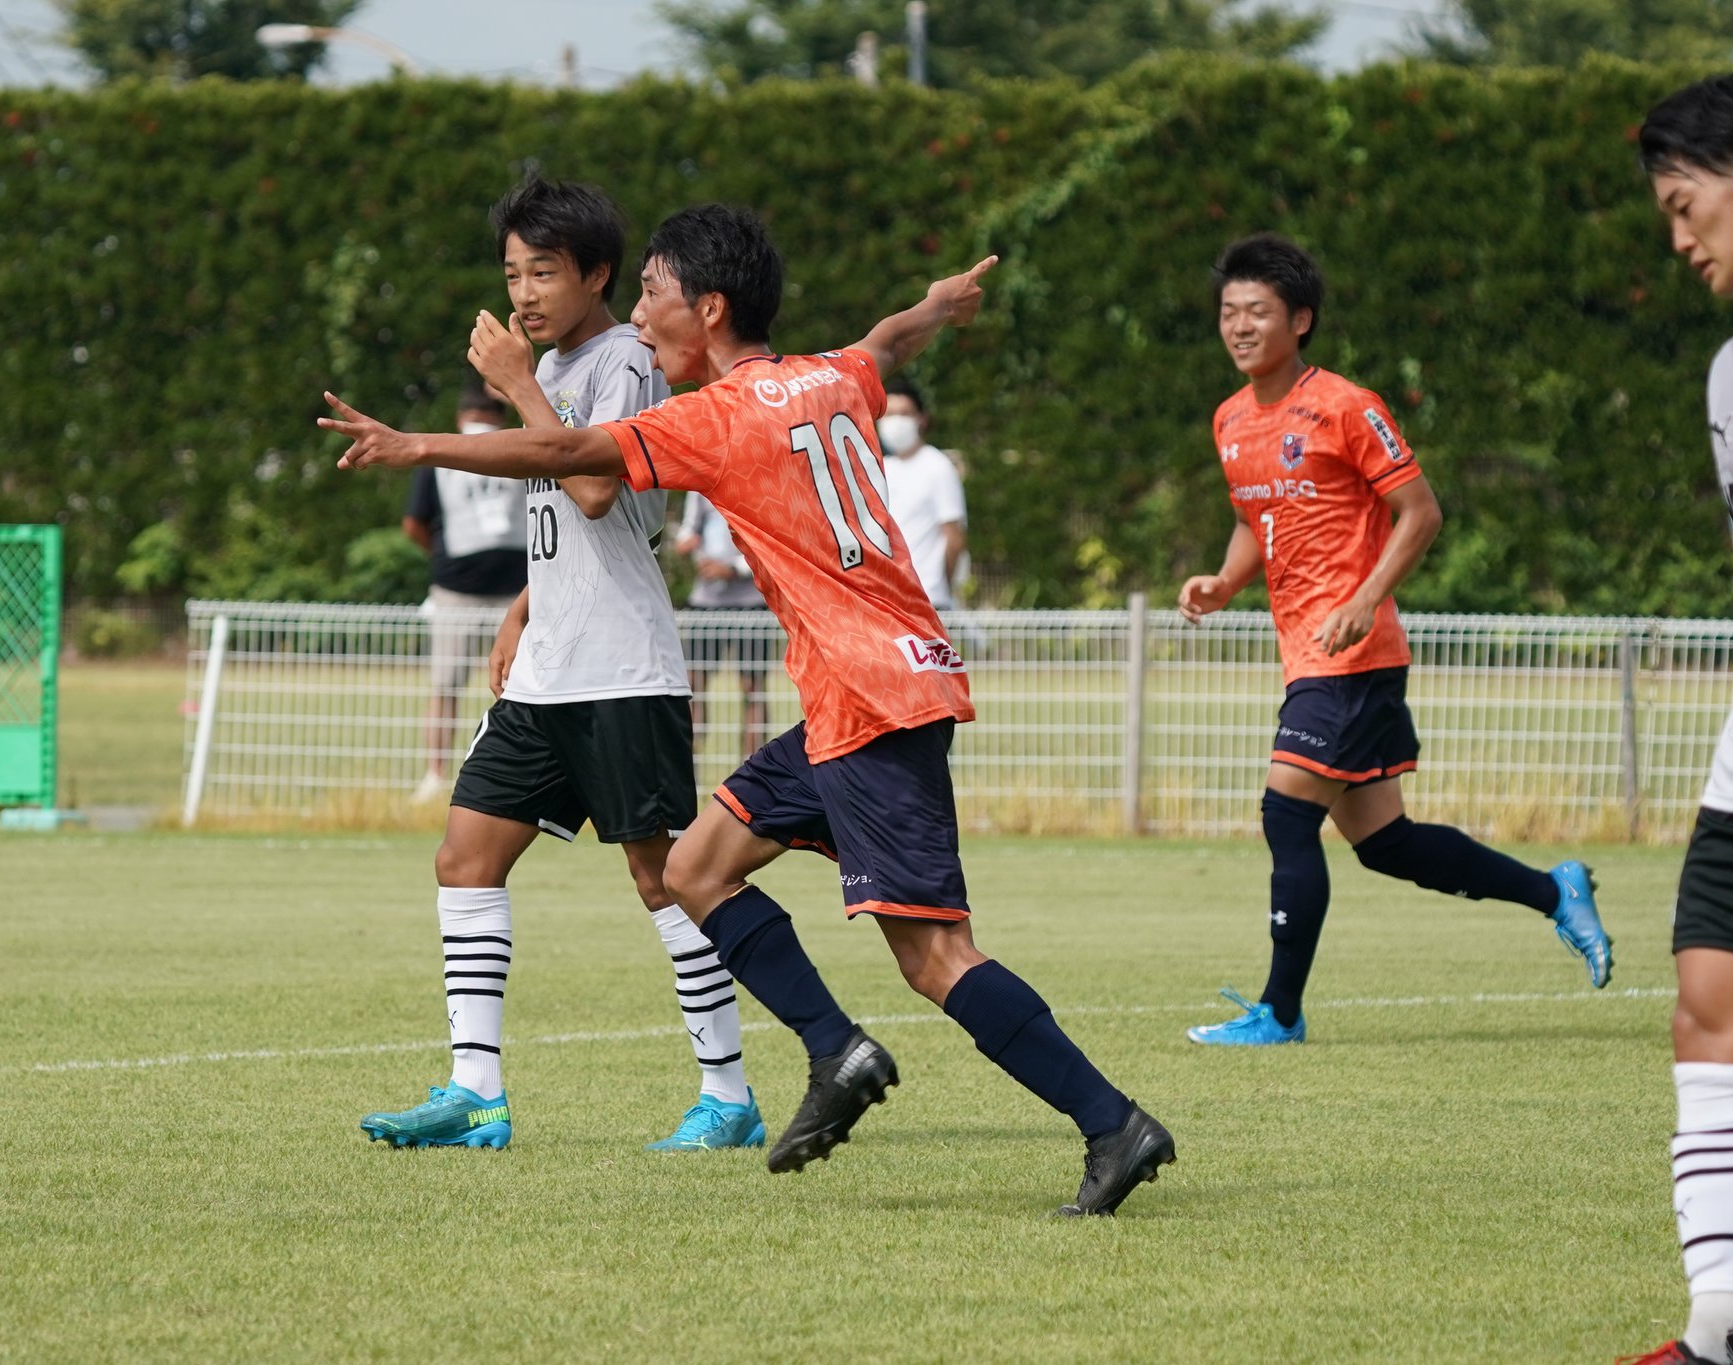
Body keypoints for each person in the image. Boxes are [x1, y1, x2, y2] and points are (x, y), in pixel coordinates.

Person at [323, 204, 1176, 1217]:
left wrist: (412, 445)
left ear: (710, 307)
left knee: (932, 955)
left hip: (872, 701)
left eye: (652, 294)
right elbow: (882, 342)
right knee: (692, 867)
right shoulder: (828, 374)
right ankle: (834, 1052)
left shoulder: (717, 417)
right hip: (852, 702)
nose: (640, 318)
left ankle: (1109, 1121)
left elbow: (568, 464)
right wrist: (936, 307)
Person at [356, 176, 763, 1155]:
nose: (525, 291)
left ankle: (728, 1093)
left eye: (544, 270)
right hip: (550, 672)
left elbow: (590, 491)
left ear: (597, 274)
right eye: (511, 272)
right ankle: (474, 1091)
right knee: (465, 856)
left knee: (662, 879)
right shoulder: (563, 362)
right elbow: (577, 526)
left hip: (623, 668)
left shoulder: (624, 361)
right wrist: (521, 609)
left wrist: (516, 387)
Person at [1176, 233, 1614, 1050]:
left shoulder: (1346, 404)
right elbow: (1252, 517)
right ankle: (1557, 890)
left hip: (1352, 653)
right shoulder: (1230, 419)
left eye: (1257, 312)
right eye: (1228, 312)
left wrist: (1365, 597)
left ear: (1299, 319)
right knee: (1387, 844)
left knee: (1285, 810)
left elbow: (1422, 512)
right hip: (1308, 653)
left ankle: (1279, 1011)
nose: (1238, 326)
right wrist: (1224, 581)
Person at [1617, 75, 1733, 1365]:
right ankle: (1714, 1327)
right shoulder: (1720, 371)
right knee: (1706, 1001)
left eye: (1683, 203)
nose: (1676, 235)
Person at [401, 378, 525, 803]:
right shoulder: (524, 445)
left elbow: (413, 524)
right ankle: (519, 774)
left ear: (460, 416)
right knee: (522, 687)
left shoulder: (441, 453)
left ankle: (435, 775)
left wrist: (443, 555)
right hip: (519, 590)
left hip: (462, 587)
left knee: (444, 686)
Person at [672, 490, 774, 759]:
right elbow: (688, 529)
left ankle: (754, 767)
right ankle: (690, 763)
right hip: (705, 601)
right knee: (693, 683)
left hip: (750, 603)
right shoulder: (697, 489)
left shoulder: (754, 486)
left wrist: (733, 570)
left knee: (753, 686)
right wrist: (686, 542)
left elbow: (768, 543)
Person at [876, 377, 968, 611]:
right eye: (890, 414)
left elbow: (954, 538)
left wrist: (941, 588)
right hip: (890, 599)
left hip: (929, 601)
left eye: (904, 413)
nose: (896, 421)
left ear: (921, 419)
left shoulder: (937, 466)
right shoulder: (881, 468)